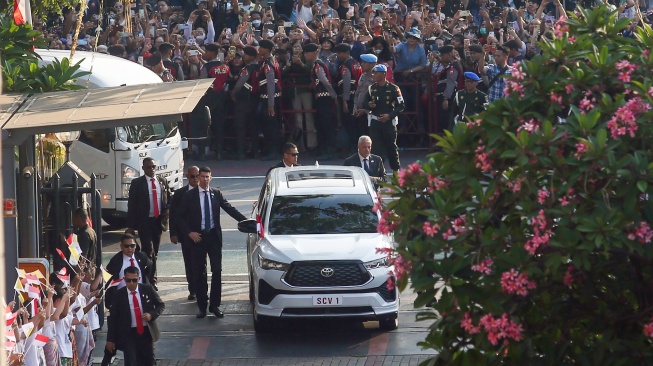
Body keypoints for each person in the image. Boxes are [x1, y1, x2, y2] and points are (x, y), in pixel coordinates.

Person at [175, 166, 247, 319]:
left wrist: (247, 221)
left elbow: (230, 209)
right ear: (198, 178)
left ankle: (215, 305)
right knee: (199, 273)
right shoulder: (189, 195)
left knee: (217, 271)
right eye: (202, 177)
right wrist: (189, 233)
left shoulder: (216, 194)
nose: (205, 179)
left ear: (211, 178)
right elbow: (178, 217)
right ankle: (202, 306)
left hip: (214, 237)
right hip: (198, 238)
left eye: (208, 177)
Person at [101, 234, 152, 366]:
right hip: (121, 300)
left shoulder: (141, 257)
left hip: (137, 298)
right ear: (121, 247)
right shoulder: (116, 260)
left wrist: (147, 284)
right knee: (117, 330)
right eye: (127, 246)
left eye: (132, 246)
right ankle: (107, 358)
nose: (130, 249)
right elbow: (107, 279)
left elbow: (150, 266)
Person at [105, 266, 165, 366]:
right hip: (129, 334)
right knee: (130, 361)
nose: (131, 283)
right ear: (124, 279)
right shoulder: (119, 295)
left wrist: (151, 315)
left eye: (134, 280)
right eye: (128, 280)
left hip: (146, 332)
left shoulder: (147, 289)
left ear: (139, 279)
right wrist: (110, 340)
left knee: (148, 360)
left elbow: (160, 305)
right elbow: (113, 318)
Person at [126, 157, 170, 288]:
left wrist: (167, 210)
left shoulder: (162, 181)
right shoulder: (137, 183)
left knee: (154, 252)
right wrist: (131, 226)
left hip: (158, 222)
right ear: (144, 168)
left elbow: (168, 199)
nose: (152, 169)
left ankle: (149, 276)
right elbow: (132, 205)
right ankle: (151, 280)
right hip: (144, 222)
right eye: (149, 167)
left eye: (154, 167)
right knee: (148, 250)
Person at [362, 64, 404, 172]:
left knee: (391, 148)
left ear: (384, 74)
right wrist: (369, 105)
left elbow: (401, 105)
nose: (374, 75)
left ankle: (396, 171)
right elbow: (364, 103)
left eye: (376, 73)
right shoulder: (372, 88)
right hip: (375, 122)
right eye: (373, 73)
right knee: (376, 149)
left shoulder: (394, 88)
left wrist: (389, 115)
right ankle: (378, 173)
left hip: (388, 123)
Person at [169, 166, 200, 301]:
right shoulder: (180, 193)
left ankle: (201, 289)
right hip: (186, 235)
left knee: (201, 263)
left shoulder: (204, 192)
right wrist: (173, 233)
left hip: (201, 235)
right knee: (189, 262)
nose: (195, 179)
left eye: (197, 176)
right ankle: (192, 289)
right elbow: (174, 215)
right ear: (187, 177)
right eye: (192, 176)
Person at [304, 42, 337, 160]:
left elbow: (324, 80)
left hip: (324, 97)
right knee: (321, 123)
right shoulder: (315, 65)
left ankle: (330, 150)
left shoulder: (318, 65)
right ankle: (323, 149)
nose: (305, 55)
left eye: (307, 53)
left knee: (326, 124)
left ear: (314, 53)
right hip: (321, 96)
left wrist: (333, 94)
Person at [231, 46, 261, 160]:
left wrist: (233, 94)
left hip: (244, 100)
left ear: (251, 56)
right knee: (253, 126)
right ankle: (255, 151)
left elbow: (240, 84)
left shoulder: (247, 69)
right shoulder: (259, 67)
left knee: (240, 126)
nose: (243, 56)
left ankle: (241, 152)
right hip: (255, 99)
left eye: (245, 54)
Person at [257, 40, 284, 160]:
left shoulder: (268, 64)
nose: (259, 50)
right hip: (271, 97)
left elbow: (271, 83)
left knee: (271, 125)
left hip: (269, 98)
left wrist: (270, 104)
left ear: (266, 49)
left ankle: (273, 150)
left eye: (261, 48)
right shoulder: (270, 61)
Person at [334, 43, 363, 149]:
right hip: (357, 95)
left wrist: (345, 101)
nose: (338, 55)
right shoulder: (356, 63)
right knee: (356, 123)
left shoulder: (346, 65)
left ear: (346, 53)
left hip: (349, 97)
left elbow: (346, 83)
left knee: (350, 123)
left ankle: (353, 147)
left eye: (339, 53)